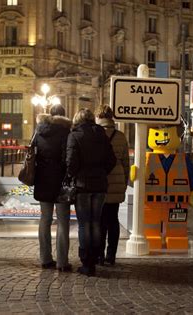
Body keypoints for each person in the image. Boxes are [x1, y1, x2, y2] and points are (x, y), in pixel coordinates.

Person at [66, 108, 116, 276]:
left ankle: (86, 262)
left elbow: (71, 163)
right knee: (96, 223)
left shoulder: (74, 135)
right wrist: (102, 173)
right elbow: (112, 160)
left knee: (84, 224)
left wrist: (74, 175)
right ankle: (94, 258)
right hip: (100, 185)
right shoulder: (101, 135)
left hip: (83, 185)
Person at [32, 104, 72, 272]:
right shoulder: (66, 132)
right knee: (63, 221)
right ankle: (62, 262)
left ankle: (45, 259)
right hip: (61, 183)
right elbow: (68, 158)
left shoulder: (39, 131)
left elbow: (32, 152)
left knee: (45, 219)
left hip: (42, 180)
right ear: (64, 116)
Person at [94, 105, 130, 266]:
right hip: (117, 184)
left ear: (98, 117)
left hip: (100, 183)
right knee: (113, 220)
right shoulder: (121, 137)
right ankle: (111, 256)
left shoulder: (95, 135)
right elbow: (126, 164)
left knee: (100, 221)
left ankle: (99, 255)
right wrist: (123, 184)